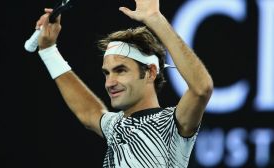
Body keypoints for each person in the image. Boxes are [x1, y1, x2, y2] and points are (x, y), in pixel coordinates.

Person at [35, 0, 213, 167]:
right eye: (107, 73)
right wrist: (49, 51)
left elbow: (201, 89)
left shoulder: (171, 123)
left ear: (151, 72)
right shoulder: (115, 125)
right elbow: (88, 112)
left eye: (121, 70)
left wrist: (155, 19)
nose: (109, 82)